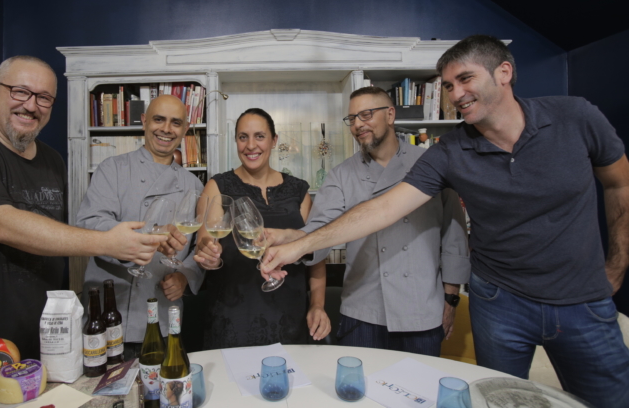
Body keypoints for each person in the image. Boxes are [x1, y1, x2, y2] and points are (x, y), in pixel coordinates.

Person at [262, 35, 629, 407]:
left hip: (578, 298)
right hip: (497, 301)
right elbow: (382, 210)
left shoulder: (575, 117)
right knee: (495, 401)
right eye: (449, 86)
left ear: (504, 72)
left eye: (465, 79)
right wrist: (297, 242)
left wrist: (617, 264)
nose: (455, 95)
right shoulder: (449, 152)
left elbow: (620, 183)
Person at [0, 56, 170, 408]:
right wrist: (109, 242)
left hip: (26, 366)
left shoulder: (52, 161)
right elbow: (0, 224)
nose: (31, 105)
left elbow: (53, 237)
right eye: (20, 91)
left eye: (44, 98)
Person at [269, 87, 469, 355]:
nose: (357, 125)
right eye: (352, 118)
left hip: (420, 310)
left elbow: (454, 236)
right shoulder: (341, 175)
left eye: (366, 114)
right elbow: (320, 230)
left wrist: (451, 298)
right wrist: (289, 238)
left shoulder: (431, 164)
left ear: (390, 115)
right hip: (362, 313)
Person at [76, 94, 204, 355]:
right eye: (159, 119)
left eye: (176, 123)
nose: (166, 129)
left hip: (165, 317)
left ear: (185, 129)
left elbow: (198, 249)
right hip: (111, 312)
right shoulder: (112, 169)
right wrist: (148, 236)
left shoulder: (194, 185)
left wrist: (185, 276)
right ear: (144, 121)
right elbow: (90, 225)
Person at [194, 108, 331, 349]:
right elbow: (204, 242)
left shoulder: (298, 190)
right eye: (242, 137)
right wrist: (208, 254)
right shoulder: (218, 187)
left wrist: (317, 305)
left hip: (291, 316)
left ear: (274, 140)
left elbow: (316, 254)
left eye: (259, 136)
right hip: (234, 317)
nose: (250, 145)